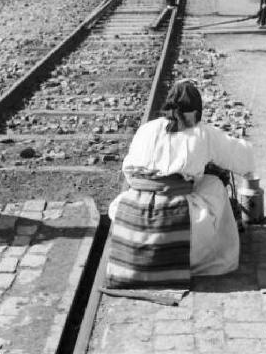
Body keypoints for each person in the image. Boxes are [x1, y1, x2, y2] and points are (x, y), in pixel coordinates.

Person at [106, 80, 255, 287]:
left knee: (190, 184)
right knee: (213, 185)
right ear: (197, 109)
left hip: (135, 211)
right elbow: (243, 160)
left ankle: (138, 255)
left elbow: (130, 174)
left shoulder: (146, 129)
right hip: (179, 218)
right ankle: (215, 255)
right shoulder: (203, 132)